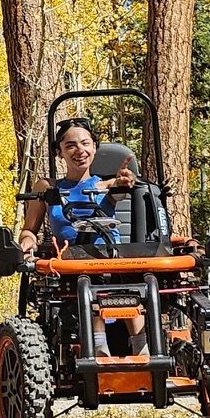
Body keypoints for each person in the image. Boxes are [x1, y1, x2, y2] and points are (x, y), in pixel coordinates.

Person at [17, 116, 144, 355]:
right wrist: (26, 245)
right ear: (59, 152)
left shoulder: (108, 185)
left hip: (111, 259)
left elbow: (119, 192)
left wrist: (122, 184)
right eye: (71, 146)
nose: (80, 151)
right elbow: (29, 230)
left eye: (86, 144)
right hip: (70, 263)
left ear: (95, 148)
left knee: (130, 282)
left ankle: (143, 349)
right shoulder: (47, 188)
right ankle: (98, 347)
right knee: (87, 280)